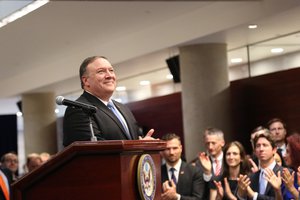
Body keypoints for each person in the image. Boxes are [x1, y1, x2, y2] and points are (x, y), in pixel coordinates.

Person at [63, 56, 154, 146]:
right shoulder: (79, 109)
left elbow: (136, 139)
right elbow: (92, 150)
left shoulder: (123, 108)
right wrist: (137, 146)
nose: (109, 76)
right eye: (101, 71)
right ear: (86, 81)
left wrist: (143, 143)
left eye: (111, 70)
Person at [237, 132, 289, 200]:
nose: (261, 149)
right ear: (255, 151)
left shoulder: (285, 173)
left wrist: (254, 195)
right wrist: (241, 194)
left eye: (265, 145)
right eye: (258, 146)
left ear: (274, 150)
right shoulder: (250, 178)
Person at [160, 133, 204, 200]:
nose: (171, 152)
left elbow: (198, 198)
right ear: (162, 151)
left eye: (175, 148)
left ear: (181, 148)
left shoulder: (194, 171)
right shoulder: (157, 173)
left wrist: (177, 197)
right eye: (167, 149)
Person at [192, 127, 226, 200]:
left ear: (222, 143)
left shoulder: (230, 159)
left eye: (213, 143)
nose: (210, 147)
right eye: (207, 143)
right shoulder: (199, 163)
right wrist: (207, 174)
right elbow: (199, 189)